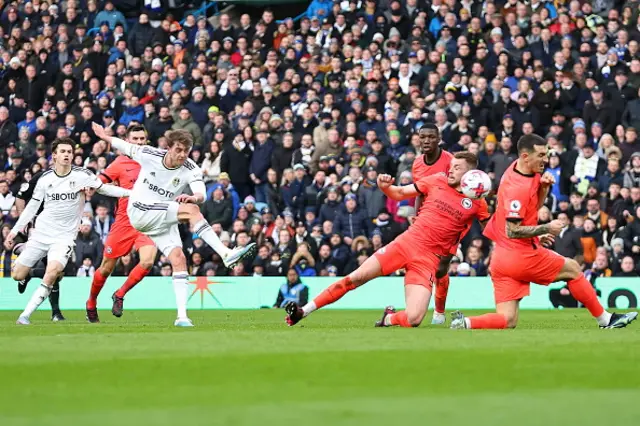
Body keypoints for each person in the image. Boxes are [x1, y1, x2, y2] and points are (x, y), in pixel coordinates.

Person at [451, 135, 638, 330]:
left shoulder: (520, 169)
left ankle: (465, 323)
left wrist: (544, 189)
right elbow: (513, 230)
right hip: (520, 255)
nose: (545, 159)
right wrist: (546, 227)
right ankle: (605, 320)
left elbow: (531, 208)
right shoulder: (517, 188)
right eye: (541, 155)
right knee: (573, 269)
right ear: (525, 156)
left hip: (501, 258)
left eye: (546, 154)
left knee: (507, 320)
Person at [285, 152, 489, 328]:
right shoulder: (437, 180)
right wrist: (385, 187)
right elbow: (399, 193)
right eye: (450, 165)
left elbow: (491, 227)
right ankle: (304, 311)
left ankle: (389, 318)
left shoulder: (478, 202)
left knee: (415, 318)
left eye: (457, 167)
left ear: (470, 174)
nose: (450, 170)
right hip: (406, 244)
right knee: (356, 277)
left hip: (428, 260)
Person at [92, 122, 257, 327]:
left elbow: (201, 193)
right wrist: (104, 136)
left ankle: (181, 317)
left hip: (162, 216)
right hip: (139, 211)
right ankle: (225, 253)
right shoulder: (149, 154)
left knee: (179, 258)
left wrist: (194, 197)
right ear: (168, 147)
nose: (182, 155)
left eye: (186, 151)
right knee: (192, 212)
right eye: (178, 150)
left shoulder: (191, 168)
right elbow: (123, 145)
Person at [7, 137, 131, 325]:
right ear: (54, 155)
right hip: (41, 233)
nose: (66, 155)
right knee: (17, 275)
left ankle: (25, 315)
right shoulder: (45, 178)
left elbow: (104, 189)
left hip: (64, 237)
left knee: (53, 271)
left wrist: (131, 193)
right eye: (63, 151)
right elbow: (32, 207)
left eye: (69, 152)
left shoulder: (82, 175)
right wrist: (14, 231)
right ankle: (25, 249)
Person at [85, 125, 158, 323]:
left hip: (148, 221)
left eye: (143, 139)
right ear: (127, 141)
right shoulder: (119, 163)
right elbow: (99, 183)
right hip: (124, 221)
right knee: (106, 268)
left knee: (148, 261)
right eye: (135, 139)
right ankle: (91, 302)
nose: (140, 142)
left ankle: (120, 294)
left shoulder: (155, 161)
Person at [411, 123, 456, 325]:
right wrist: (416, 216)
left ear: (439, 139)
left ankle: (439, 311)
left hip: (450, 218)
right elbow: (419, 192)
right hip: (427, 219)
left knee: (441, 268)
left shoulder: (450, 161)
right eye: (423, 137)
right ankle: (417, 308)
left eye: (431, 137)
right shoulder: (417, 164)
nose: (427, 140)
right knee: (421, 264)